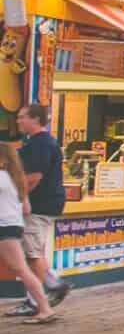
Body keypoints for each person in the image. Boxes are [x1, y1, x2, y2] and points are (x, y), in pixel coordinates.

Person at [11, 104, 71, 317]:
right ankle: (33, 299)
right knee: (32, 252)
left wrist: (18, 197)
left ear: (35, 119)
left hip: (38, 205)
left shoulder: (40, 144)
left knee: (32, 253)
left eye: (21, 117)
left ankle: (52, 285)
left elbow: (34, 177)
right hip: (45, 204)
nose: (18, 121)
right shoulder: (41, 143)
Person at [0, 141, 55, 322]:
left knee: (22, 270)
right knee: (23, 269)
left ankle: (45, 308)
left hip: (4, 228)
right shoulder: (16, 179)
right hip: (13, 226)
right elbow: (26, 209)